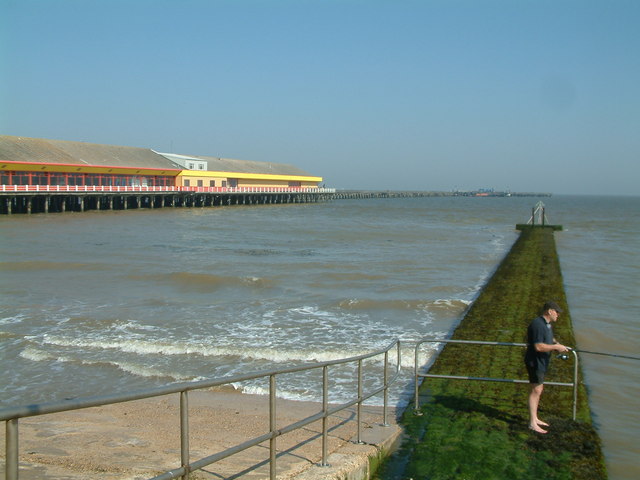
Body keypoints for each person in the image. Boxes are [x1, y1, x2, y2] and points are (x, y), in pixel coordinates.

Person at [524, 301, 570, 434]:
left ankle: (535, 418)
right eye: (557, 312)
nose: (558, 315)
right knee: (535, 390)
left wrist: (556, 343)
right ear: (549, 311)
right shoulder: (538, 324)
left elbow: (548, 337)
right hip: (535, 362)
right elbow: (538, 346)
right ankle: (532, 423)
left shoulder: (547, 324)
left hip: (542, 362)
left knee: (539, 389)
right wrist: (556, 347)